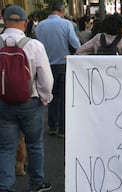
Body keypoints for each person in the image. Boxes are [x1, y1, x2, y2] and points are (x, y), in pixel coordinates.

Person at [0, 5, 54, 192]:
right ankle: (36, 184)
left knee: (5, 147)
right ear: (25, 22)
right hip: (30, 102)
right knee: (35, 144)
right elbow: (46, 79)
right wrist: (45, 97)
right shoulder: (34, 45)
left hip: (3, 103)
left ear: (4, 20)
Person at [35, 0, 81, 138]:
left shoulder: (40, 26)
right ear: (62, 10)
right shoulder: (66, 24)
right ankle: (62, 128)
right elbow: (75, 44)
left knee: (51, 96)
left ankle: (52, 126)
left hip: (45, 66)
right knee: (64, 97)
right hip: (63, 63)